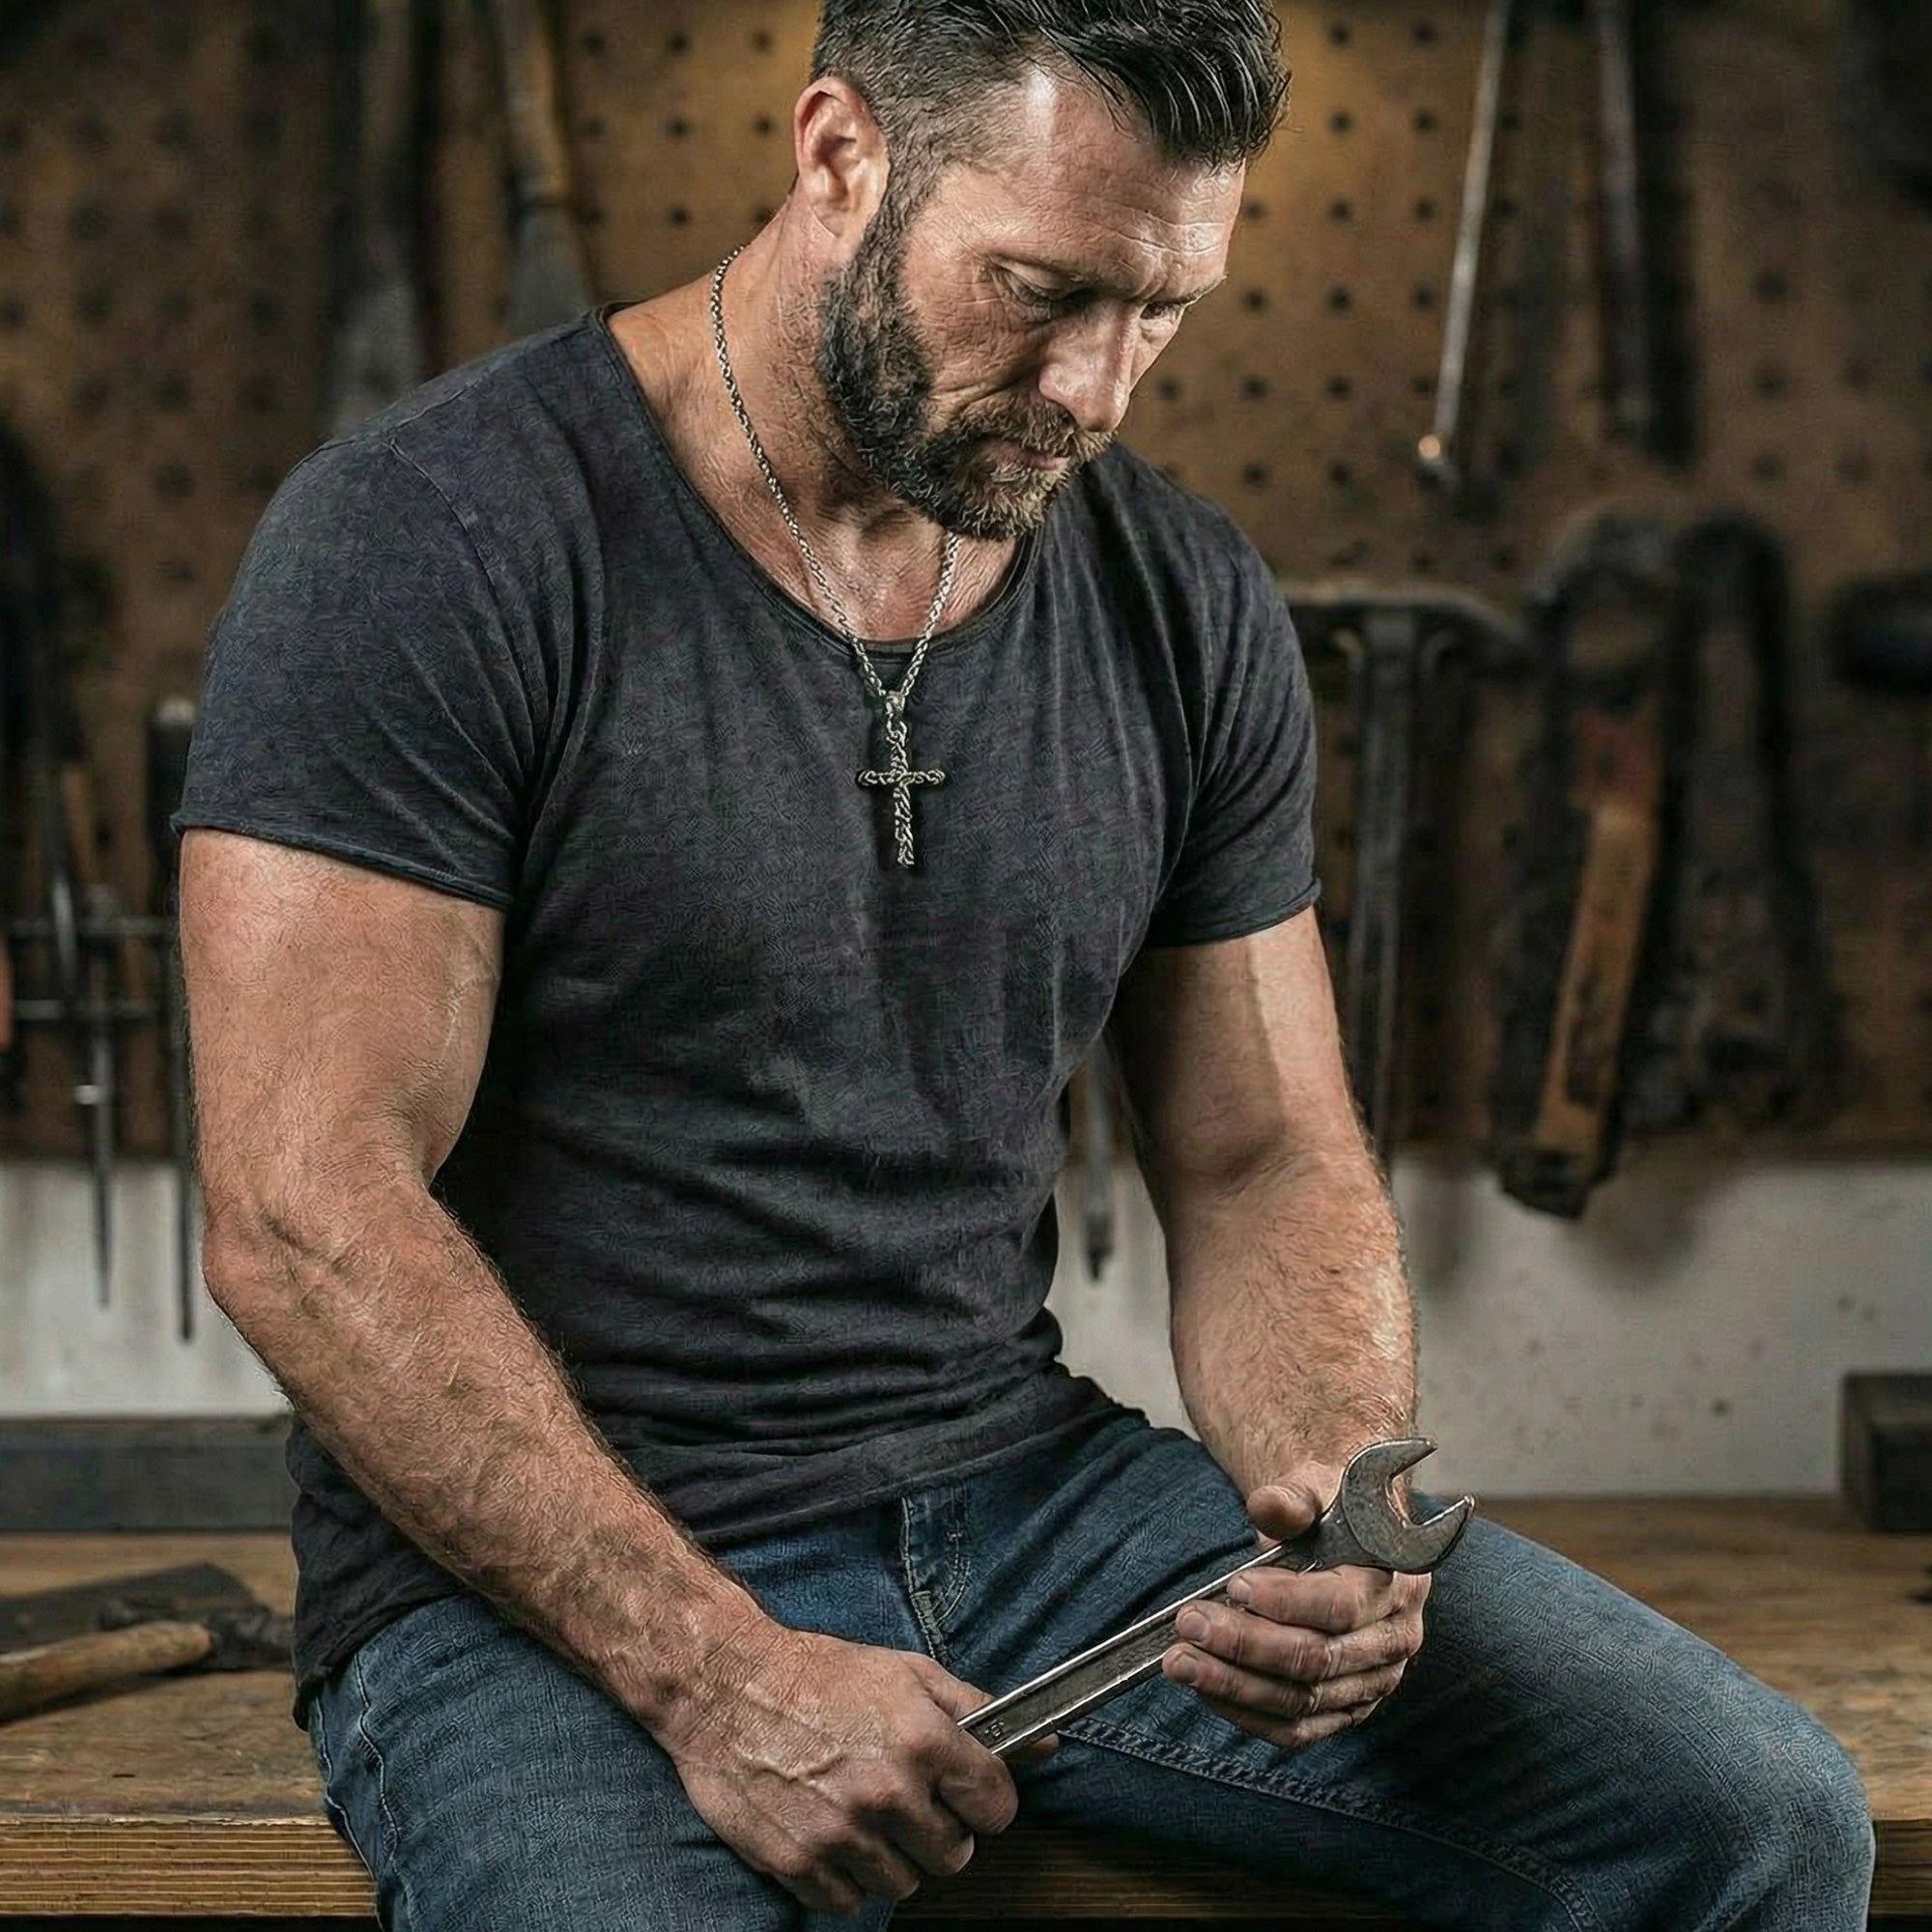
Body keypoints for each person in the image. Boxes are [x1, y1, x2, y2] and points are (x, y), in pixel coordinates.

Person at [177, 2, 1874, 1926]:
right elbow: (303, 1204)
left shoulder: (1178, 594)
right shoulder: (431, 542)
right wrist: (712, 1669)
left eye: (1160, 311)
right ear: (838, 157)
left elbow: (1260, 1152)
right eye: (1040, 290)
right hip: (554, 1587)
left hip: (1033, 1503)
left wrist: (1341, 1503)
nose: (1095, 388)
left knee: (1751, 1819)